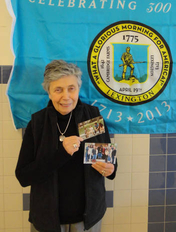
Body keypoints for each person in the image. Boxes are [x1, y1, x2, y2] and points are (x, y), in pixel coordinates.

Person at [15, 60, 117, 232]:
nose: (66, 97)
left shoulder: (92, 116)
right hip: (48, 219)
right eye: (58, 90)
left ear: (78, 89)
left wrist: (111, 169)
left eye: (71, 88)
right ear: (49, 92)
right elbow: (23, 176)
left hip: (88, 218)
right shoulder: (38, 123)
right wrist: (61, 153)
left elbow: (109, 161)